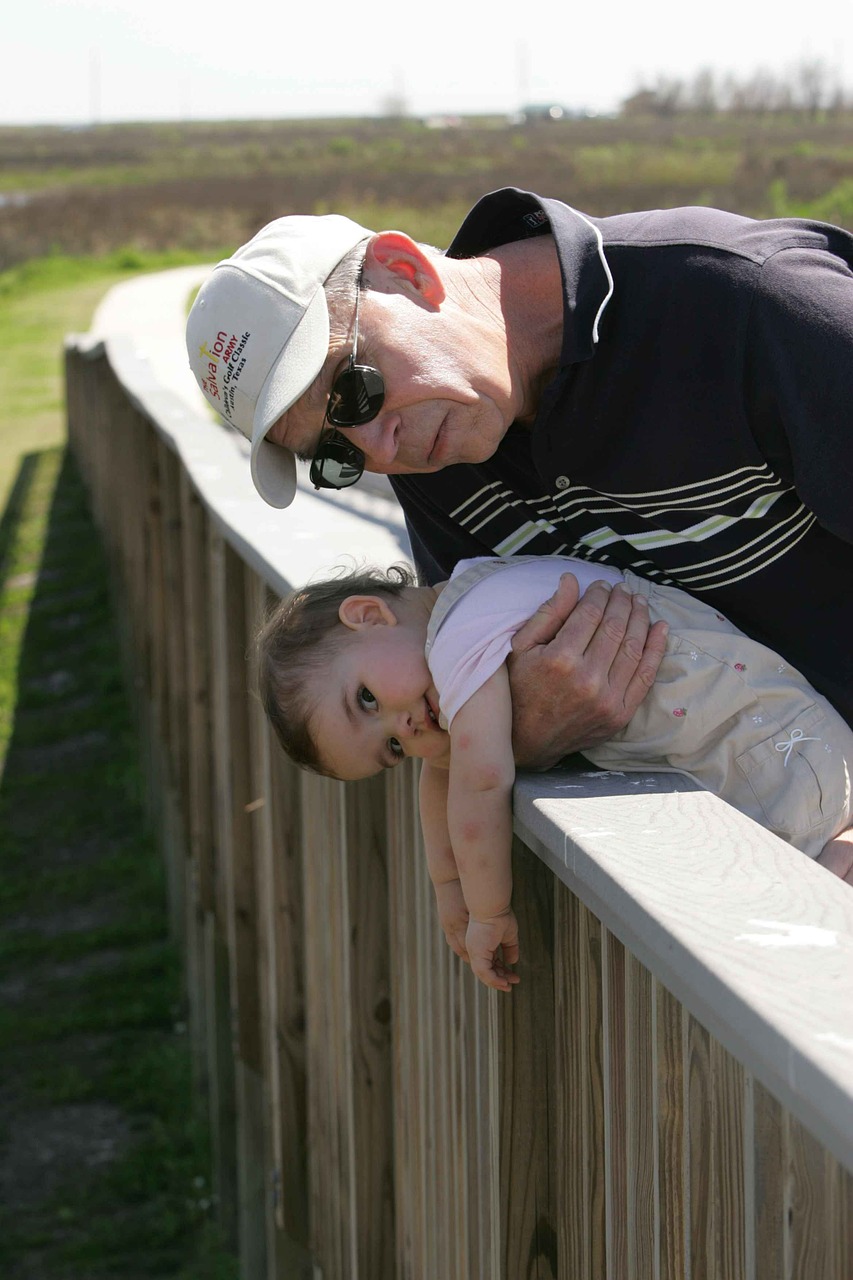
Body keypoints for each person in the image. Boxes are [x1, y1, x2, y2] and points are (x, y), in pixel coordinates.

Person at [186, 190, 853, 879]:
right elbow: (495, 706)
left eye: (353, 389)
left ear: (405, 269)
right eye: (337, 453)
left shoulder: (743, 299)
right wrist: (524, 732)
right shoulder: (437, 447)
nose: (382, 451)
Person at [256, 555, 853, 991]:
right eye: (389, 746)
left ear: (367, 614)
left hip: (770, 754)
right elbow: (444, 772)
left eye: (365, 699)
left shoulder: (463, 629)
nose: (402, 727)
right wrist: (448, 892)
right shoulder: (462, 622)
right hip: (764, 748)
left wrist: (489, 913)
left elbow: (480, 779)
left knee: (809, 940)